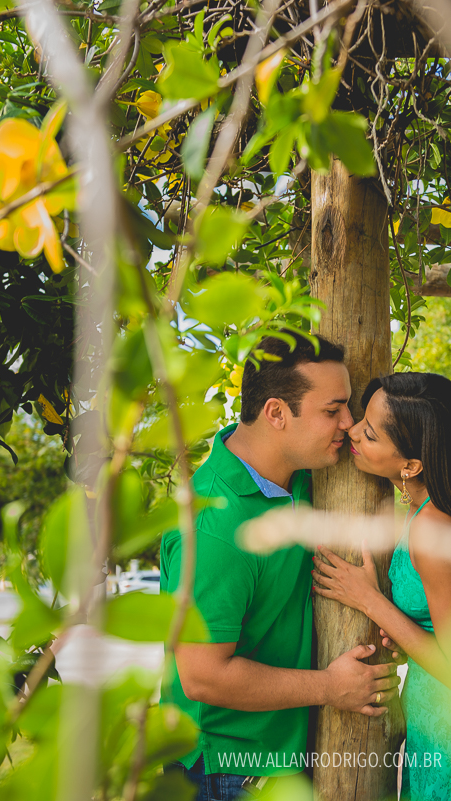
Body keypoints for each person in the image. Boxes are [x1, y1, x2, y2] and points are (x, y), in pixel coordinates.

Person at [159, 332, 400, 801]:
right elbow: (203, 675)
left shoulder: (301, 475)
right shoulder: (214, 526)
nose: (349, 424)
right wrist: (331, 687)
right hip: (227, 773)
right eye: (332, 411)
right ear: (275, 413)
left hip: (286, 761)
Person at [311, 372, 451, 801]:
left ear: (411, 465)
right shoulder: (431, 512)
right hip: (439, 718)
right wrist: (404, 631)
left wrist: (368, 600)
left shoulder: (435, 528)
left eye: (371, 433)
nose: (353, 429)